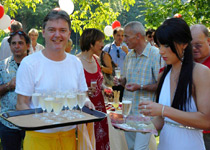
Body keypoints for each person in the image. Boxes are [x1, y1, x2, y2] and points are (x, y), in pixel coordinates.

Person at [15, 9, 95, 150]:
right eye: (52, 29)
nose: (57, 35)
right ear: (44, 32)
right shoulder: (29, 63)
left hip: (69, 138)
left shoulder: (75, 62)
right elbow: (22, 104)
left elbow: (83, 95)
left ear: (69, 34)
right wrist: (39, 123)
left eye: (62, 30)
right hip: (38, 139)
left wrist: (87, 103)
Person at [139, 18, 210, 150]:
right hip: (165, 145)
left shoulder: (200, 73)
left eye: (166, 45)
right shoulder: (164, 75)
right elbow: (161, 120)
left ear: (183, 43)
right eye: (159, 45)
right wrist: (137, 126)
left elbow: (206, 121)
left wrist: (163, 109)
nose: (161, 51)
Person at [115, 21, 162, 150]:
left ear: (138, 36)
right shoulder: (129, 56)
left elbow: (161, 85)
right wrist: (120, 82)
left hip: (145, 114)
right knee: (131, 148)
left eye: (126, 36)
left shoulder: (155, 54)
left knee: (139, 149)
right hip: (128, 112)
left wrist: (140, 87)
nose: (124, 40)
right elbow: (126, 81)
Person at [77, 28, 110, 150]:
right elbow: (71, 87)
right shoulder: (77, 61)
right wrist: (84, 93)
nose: (103, 45)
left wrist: (105, 88)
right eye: (100, 41)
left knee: (101, 140)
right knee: (89, 142)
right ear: (91, 43)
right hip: (86, 110)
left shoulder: (96, 59)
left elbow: (98, 81)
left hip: (100, 109)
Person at [0, 30, 30, 150]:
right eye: (13, 43)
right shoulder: (2, 66)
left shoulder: (35, 65)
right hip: (8, 122)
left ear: (27, 45)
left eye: (20, 43)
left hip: (31, 120)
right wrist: (8, 85)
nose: (17, 46)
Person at [190, 24, 210, 150]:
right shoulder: (187, 63)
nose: (194, 49)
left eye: (198, 44)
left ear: (208, 41)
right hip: (191, 126)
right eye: (190, 45)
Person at [103, 27, 130, 101]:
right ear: (114, 36)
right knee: (112, 102)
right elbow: (101, 59)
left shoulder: (128, 47)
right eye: (118, 35)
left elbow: (133, 60)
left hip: (124, 80)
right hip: (111, 80)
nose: (120, 37)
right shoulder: (107, 48)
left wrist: (127, 52)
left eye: (122, 35)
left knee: (122, 101)